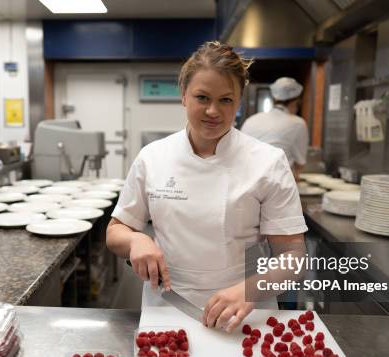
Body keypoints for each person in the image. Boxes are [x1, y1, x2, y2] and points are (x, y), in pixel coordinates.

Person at [106, 42, 307, 331]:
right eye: (202, 97)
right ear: (184, 96)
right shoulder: (153, 157)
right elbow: (115, 232)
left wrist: (248, 290)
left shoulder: (268, 161)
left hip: (245, 312)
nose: (213, 111)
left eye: (226, 100)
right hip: (168, 305)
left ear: (238, 102)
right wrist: (137, 240)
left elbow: (292, 256)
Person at [240, 77, 309, 181]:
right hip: (278, 185)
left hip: (246, 182)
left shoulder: (251, 120)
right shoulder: (298, 123)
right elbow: (300, 164)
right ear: (295, 101)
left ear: (274, 98)